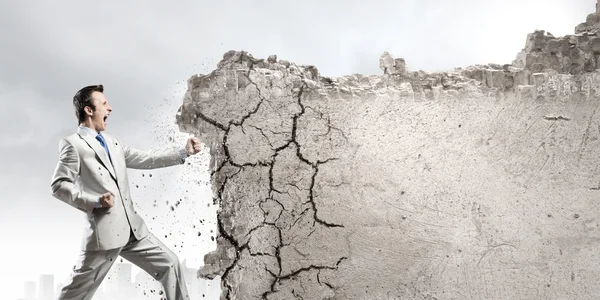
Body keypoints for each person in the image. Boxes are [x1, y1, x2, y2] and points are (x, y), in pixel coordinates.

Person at [50, 84, 201, 300]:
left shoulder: (112, 141)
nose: (109, 108)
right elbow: (59, 185)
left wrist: (182, 152)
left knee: (171, 264)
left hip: (133, 231)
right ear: (89, 110)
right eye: (104, 103)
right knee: (76, 294)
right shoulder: (73, 144)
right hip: (104, 236)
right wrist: (94, 201)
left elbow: (145, 158)